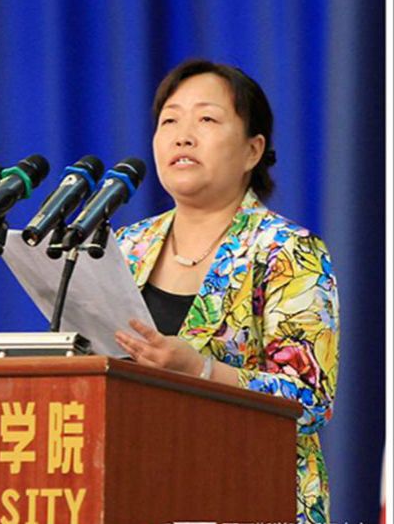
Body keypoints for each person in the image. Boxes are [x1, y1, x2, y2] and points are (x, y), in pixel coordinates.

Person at [114, 59, 339, 524]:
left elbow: (309, 401)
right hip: (139, 491)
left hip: (252, 494)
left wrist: (200, 369)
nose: (183, 136)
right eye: (169, 121)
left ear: (253, 150)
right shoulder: (125, 246)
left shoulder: (287, 251)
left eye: (207, 119)